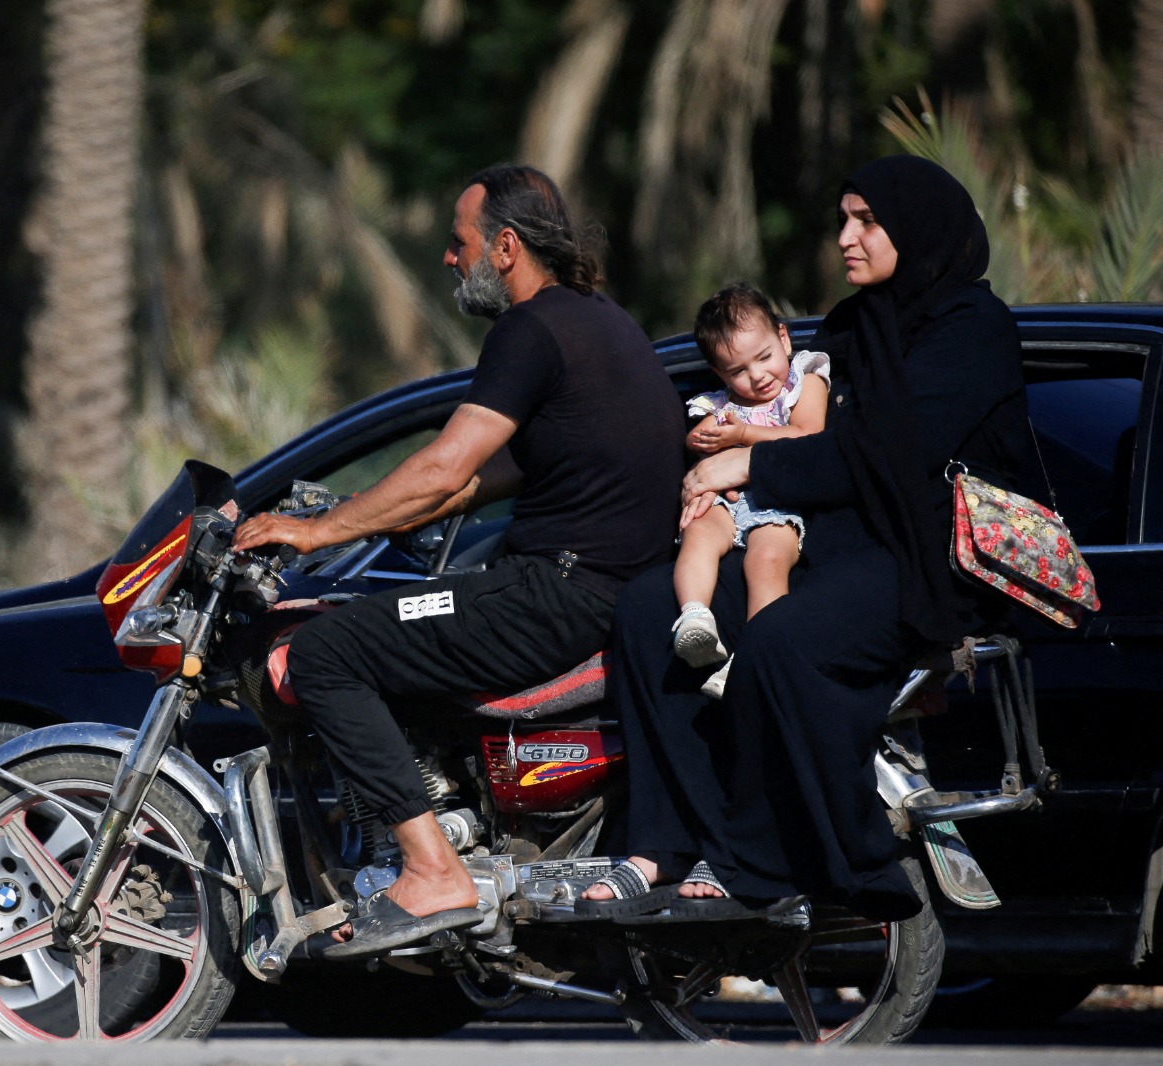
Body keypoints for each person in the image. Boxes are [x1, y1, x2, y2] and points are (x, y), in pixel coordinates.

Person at [232, 164, 685, 956]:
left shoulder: (529, 328)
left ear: (505, 248)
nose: (449, 258)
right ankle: (453, 841)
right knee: (392, 637)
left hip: (553, 592)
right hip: (599, 588)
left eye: (459, 241)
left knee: (326, 650)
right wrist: (363, 513)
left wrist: (313, 534)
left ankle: (432, 870)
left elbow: (446, 466)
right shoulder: (602, 320)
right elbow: (485, 478)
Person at [578, 154, 1035, 921]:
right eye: (843, 220)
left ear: (916, 230)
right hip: (837, 540)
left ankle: (767, 859)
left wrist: (744, 461)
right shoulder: (856, 328)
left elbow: (887, 453)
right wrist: (711, 475)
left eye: (867, 221)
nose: (845, 239)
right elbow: (811, 446)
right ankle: (664, 840)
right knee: (651, 607)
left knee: (780, 638)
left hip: (925, 558)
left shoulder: (972, 330)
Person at [671, 284, 830, 700]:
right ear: (720, 374)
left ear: (783, 337)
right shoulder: (719, 403)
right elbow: (694, 439)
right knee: (698, 534)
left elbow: (807, 435)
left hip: (779, 505)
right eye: (737, 371)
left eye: (763, 357)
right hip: (731, 501)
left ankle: (754, 654)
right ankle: (694, 616)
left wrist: (742, 433)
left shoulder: (805, 381)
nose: (757, 376)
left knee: (766, 560)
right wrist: (702, 440)